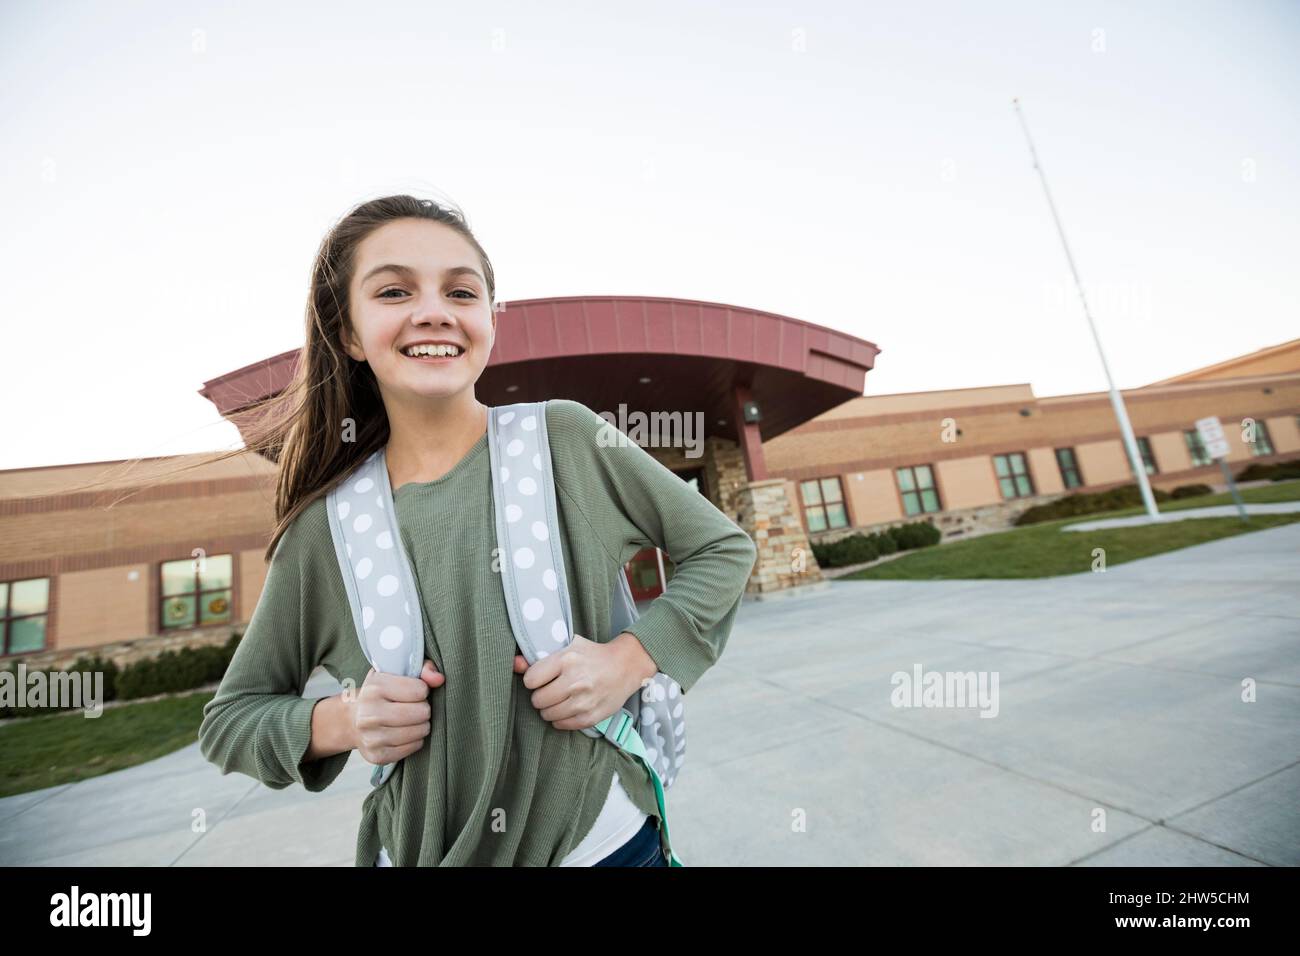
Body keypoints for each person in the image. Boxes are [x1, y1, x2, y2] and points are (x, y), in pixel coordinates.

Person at [196, 193, 758, 866]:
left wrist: (626, 663)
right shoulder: (327, 529)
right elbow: (231, 719)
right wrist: (344, 720)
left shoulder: (565, 440)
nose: (433, 310)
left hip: (609, 850)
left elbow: (723, 548)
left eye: (460, 291)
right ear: (347, 332)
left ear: (489, 319)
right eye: (395, 290)